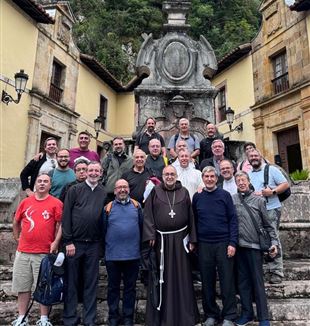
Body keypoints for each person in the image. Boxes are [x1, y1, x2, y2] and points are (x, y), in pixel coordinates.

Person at [143, 165, 199, 326]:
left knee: (182, 277)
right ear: (162, 176)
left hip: (181, 241)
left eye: (172, 174)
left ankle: (184, 316)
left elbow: (191, 216)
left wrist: (193, 239)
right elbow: (148, 214)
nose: (169, 177)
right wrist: (150, 234)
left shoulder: (184, 192)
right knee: (162, 277)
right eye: (166, 174)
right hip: (161, 241)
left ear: (176, 175)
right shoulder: (155, 191)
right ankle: (163, 317)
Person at [11, 173, 63, 326]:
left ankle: (44, 318)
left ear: (50, 185)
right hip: (23, 251)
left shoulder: (56, 203)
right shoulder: (26, 202)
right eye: (39, 181)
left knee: (44, 287)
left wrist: (55, 242)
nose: (41, 183)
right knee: (23, 286)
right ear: (35, 184)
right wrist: (16, 238)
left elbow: (61, 225)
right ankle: (22, 317)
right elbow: (16, 221)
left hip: (43, 253)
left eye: (45, 181)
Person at [62, 162, 107, 326]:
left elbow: (104, 220)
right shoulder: (74, 190)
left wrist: (101, 246)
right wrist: (68, 241)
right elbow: (66, 216)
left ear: (101, 173)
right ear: (85, 172)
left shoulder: (103, 193)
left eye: (97, 170)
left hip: (94, 245)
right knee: (71, 282)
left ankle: (89, 319)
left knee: (91, 283)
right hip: (75, 244)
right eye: (91, 170)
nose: (94, 173)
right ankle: (69, 318)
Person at [192, 166, 238, 326]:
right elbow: (195, 220)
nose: (210, 179)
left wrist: (232, 243)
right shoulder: (197, 197)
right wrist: (195, 242)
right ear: (203, 178)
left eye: (212, 176)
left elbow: (233, 219)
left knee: (227, 281)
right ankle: (211, 314)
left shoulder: (225, 195)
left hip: (223, 243)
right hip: (204, 245)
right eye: (207, 176)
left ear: (216, 178)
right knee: (207, 281)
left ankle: (229, 315)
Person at [232, 171, 278, 326]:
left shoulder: (259, 200)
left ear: (248, 181)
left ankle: (263, 317)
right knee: (243, 283)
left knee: (258, 283)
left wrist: (274, 243)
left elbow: (268, 224)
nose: (241, 183)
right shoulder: (233, 199)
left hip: (254, 247)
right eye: (238, 181)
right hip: (239, 247)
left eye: (243, 180)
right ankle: (247, 314)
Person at [103, 179, 143, 326]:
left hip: (132, 255)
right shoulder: (108, 208)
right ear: (114, 191)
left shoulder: (136, 206)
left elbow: (141, 226)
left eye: (125, 187)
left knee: (130, 289)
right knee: (113, 288)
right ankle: (113, 317)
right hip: (113, 255)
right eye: (119, 187)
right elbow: (103, 229)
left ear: (129, 189)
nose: (122, 190)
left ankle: (128, 318)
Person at [248, 149, 289, 284]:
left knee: (273, 238)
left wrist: (272, 191)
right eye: (251, 156)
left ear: (260, 157)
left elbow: (285, 184)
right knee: (262, 239)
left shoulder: (271, 169)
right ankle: (268, 267)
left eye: (255, 155)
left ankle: (277, 271)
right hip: (257, 211)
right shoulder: (249, 174)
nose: (253, 158)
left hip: (271, 208)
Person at [101, 137, 133, 202]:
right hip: (109, 193)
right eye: (116, 144)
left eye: (120, 144)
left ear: (124, 145)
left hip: (124, 193)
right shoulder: (107, 158)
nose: (118, 146)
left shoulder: (130, 160)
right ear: (113, 146)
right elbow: (101, 172)